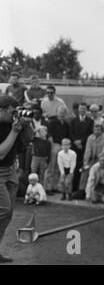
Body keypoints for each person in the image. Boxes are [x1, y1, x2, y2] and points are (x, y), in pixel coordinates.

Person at [0, 95, 33, 263]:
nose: (16, 114)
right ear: (1, 110)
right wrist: (14, 131)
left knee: (7, 214)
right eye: (13, 112)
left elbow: (29, 140)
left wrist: (26, 125)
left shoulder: (14, 123)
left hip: (10, 170)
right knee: (4, 210)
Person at [45, 106, 70, 192]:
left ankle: (54, 186)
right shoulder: (52, 122)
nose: (62, 113)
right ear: (57, 112)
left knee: (58, 169)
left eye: (63, 112)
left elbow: (67, 137)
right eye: (60, 112)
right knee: (51, 167)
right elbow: (50, 135)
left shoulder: (66, 124)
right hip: (54, 147)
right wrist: (52, 147)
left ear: (65, 113)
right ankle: (47, 187)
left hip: (63, 148)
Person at [70, 102, 94, 192]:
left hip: (85, 147)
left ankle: (82, 189)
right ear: (78, 109)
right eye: (81, 108)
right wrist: (76, 141)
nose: (82, 110)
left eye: (84, 109)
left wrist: (81, 141)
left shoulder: (90, 121)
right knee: (74, 168)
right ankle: (73, 188)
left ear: (86, 110)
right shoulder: (73, 120)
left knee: (83, 168)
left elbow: (89, 133)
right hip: (74, 148)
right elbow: (71, 133)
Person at [30, 126, 51, 194]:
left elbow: (48, 153)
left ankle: (40, 190)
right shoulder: (36, 140)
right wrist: (36, 130)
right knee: (33, 173)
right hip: (36, 158)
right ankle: (31, 189)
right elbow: (31, 136)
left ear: (46, 132)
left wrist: (47, 162)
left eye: (43, 131)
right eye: (40, 132)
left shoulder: (48, 142)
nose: (42, 133)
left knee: (42, 175)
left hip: (43, 159)